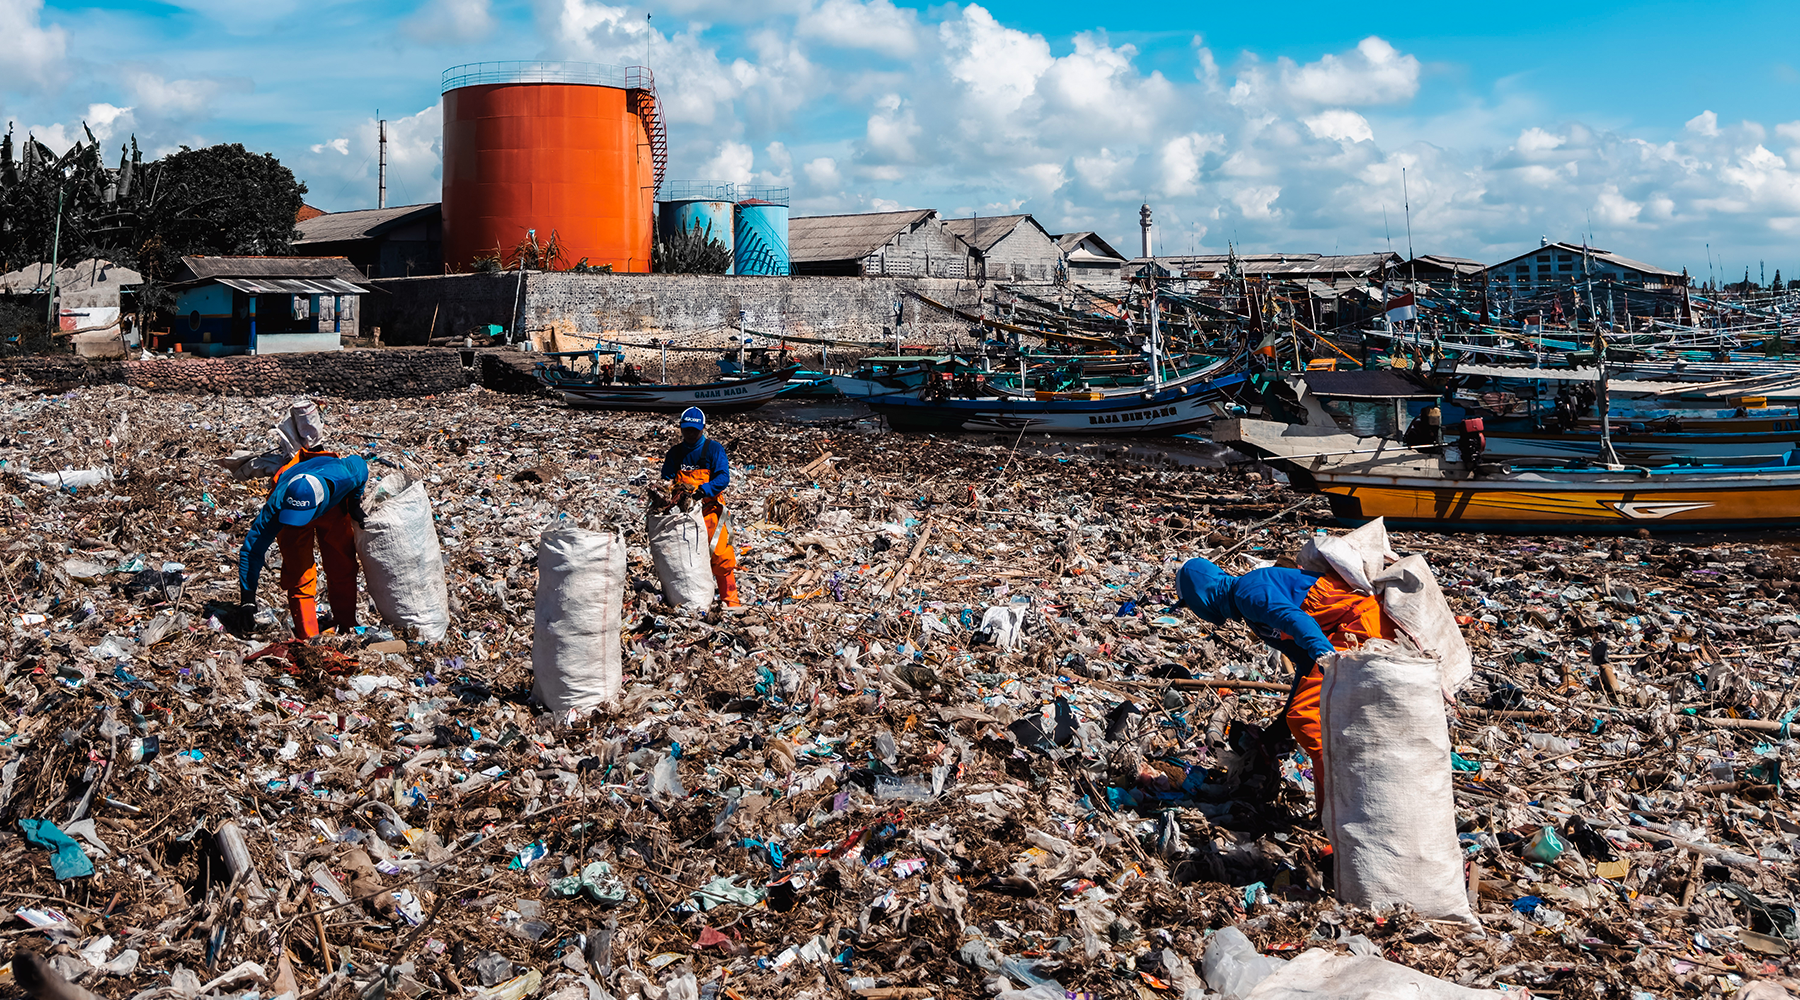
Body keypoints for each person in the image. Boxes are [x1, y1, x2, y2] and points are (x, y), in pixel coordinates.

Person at [1175, 556, 1394, 786]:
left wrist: (1330, 663)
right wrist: (1280, 726)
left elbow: (1298, 621)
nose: (1194, 610)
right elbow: (1303, 660)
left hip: (1359, 625)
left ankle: (1341, 798)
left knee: (1305, 719)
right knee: (1300, 716)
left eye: (1190, 604)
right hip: (1350, 628)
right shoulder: (1249, 611)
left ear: (1198, 594)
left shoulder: (1247, 592)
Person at [238, 450, 370, 638]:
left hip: (332, 506)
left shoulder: (345, 476)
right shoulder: (278, 505)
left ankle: (347, 625)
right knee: (299, 574)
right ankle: (308, 637)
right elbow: (252, 550)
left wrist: (354, 505)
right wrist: (247, 599)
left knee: (342, 566)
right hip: (287, 511)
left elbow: (362, 467)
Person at [658, 407, 740, 606]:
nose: (691, 433)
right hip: (683, 516)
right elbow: (666, 479)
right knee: (687, 559)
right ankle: (694, 601)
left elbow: (723, 477)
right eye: (687, 429)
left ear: (702, 428)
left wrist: (704, 490)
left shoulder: (713, 449)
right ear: (681, 429)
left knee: (721, 556)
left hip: (711, 511)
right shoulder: (675, 454)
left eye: (695, 430)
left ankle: (731, 601)